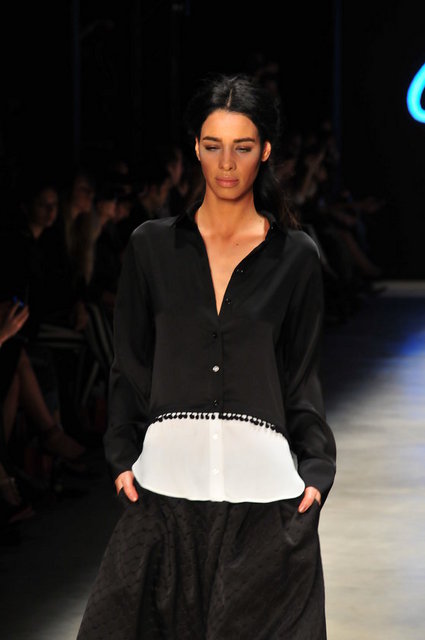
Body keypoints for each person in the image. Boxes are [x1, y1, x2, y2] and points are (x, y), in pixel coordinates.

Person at [77, 73, 337, 640]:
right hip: (162, 495)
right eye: (213, 146)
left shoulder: (295, 257)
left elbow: (300, 375)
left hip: (265, 501)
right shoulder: (150, 247)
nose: (226, 164)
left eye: (242, 147)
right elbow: (130, 364)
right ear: (195, 148)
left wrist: (316, 471)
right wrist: (120, 457)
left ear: (264, 151)